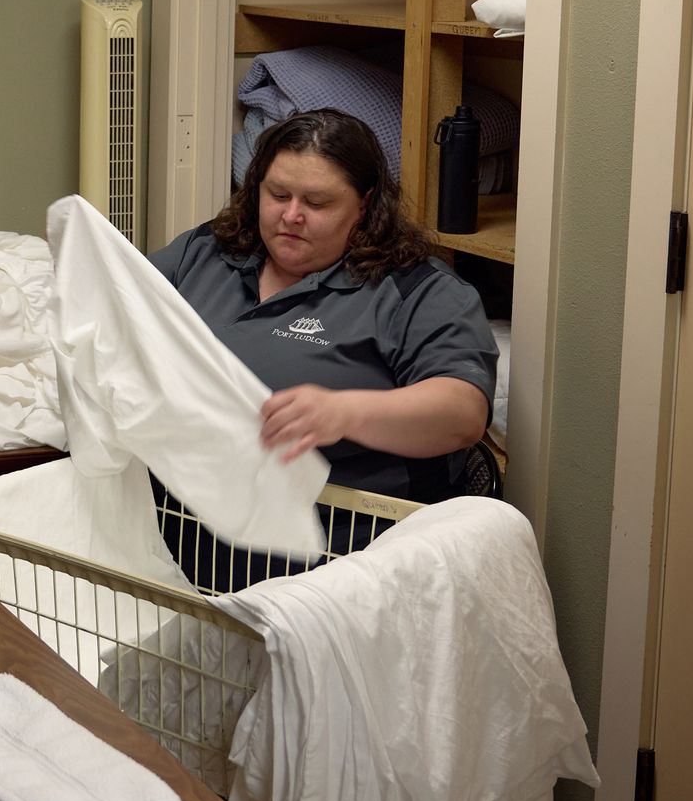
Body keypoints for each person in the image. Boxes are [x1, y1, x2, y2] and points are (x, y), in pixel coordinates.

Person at [150, 108, 498, 518]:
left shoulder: (415, 291)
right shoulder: (208, 250)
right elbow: (119, 308)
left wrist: (344, 413)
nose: (291, 216)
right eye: (278, 195)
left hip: (336, 548)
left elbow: (462, 413)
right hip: (176, 521)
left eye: (317, 202)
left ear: (366, 205)